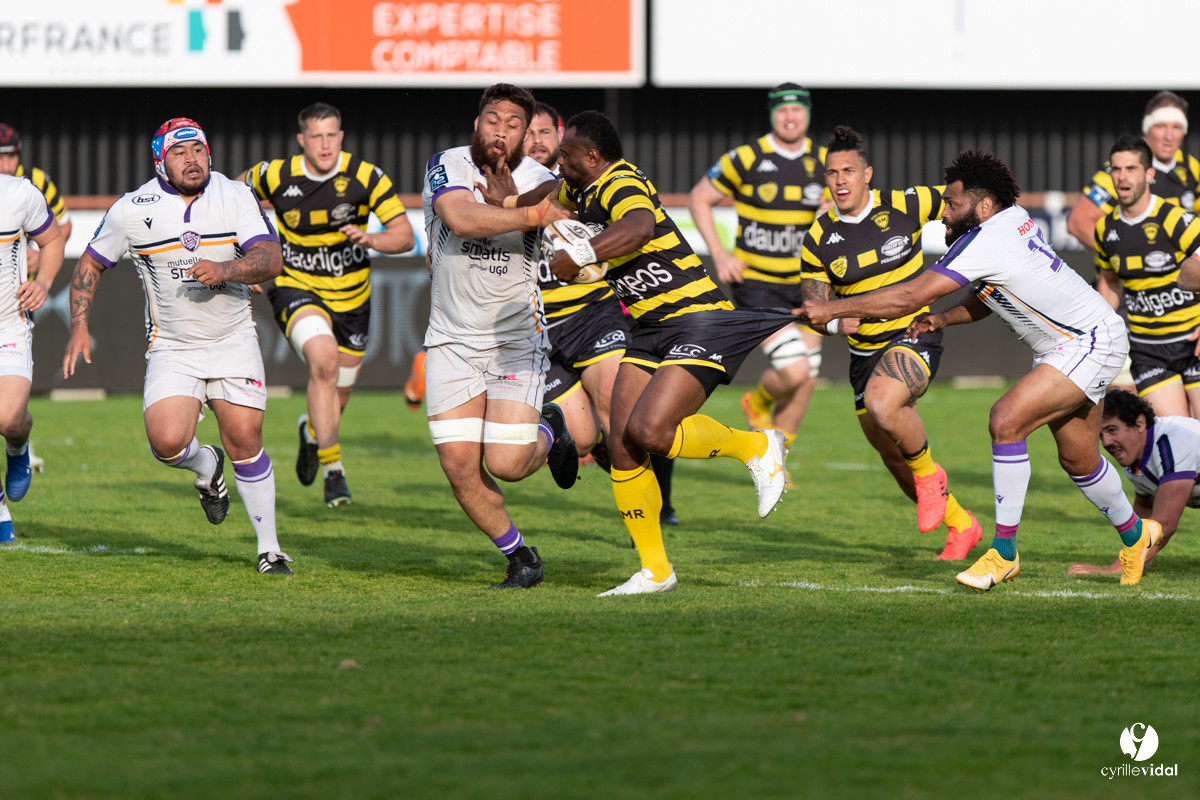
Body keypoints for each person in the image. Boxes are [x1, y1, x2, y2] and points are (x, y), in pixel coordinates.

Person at [799, 149, 1163, 590]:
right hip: (1071, 344)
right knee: (1078, 459)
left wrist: (832, 309)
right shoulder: (1008, 223)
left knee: (1005, 420)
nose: (943, 214)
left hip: (1087, 341)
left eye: (952, 205)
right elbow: (990, 294)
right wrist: (944, 318)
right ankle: (1137, 535)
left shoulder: (985, 240)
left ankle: (1003, 553)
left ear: (984, 206)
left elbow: (910, 296)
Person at [540, 110, 796, 596]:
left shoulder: (620, 181)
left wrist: (582, 253)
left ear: (592, 157)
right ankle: (656, 572)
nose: (559, 161)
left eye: (566, 154)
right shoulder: (580, 188)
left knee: (651, 431)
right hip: (650, 326)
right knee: (621, 444)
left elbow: (638, 227)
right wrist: (504, 200)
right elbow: (546, 197)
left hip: (698, 318)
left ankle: (757, 446)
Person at [62, 117, 294, 575]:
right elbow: (90, 264)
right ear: (159, 162)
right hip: (172, 346)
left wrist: (226, 270)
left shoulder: (235, 194)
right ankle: (206, 465)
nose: (192, 160)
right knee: (167, 443)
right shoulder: (132, 209)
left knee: (245, 438)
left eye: (198, 150)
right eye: (180, 152)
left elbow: (271, 258)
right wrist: (79, 326)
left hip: (232, 339)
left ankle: (269, 549)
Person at [490, 100, 683, 525]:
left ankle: (655, 512)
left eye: (545, 132)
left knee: (623, 408)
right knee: (581, 438)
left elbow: (630, 224)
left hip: (591, 316)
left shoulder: (583, 181)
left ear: (562, 140)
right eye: (528, 132)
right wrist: (505, 206)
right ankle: (582, 443)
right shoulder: (502, 183)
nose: (536, 140)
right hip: (537, 330)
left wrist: (580, 251)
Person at [800, 126, 981, 560]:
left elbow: (965, 202)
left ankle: (931, 476)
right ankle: (962, 525)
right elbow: (815, 309)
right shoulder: (818, 237)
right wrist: (833, 326)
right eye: (832, 173)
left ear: (867, 174)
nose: (840, 180)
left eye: (848, 171)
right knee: (895, 460)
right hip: (863, 356)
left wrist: (965, 236)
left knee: (883, 404)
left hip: (912, 334)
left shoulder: (906, 203)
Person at [421, 83, 576, 590]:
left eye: (513, 125)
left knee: (506, 464)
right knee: (459, 466)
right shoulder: (446, 165)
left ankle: (549, 428)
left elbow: (558, 208)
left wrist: (518, 202)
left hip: (515, 341)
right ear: (477, 123)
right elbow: (461, 218)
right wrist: (528, 214)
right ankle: (521, 557)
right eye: (492, 120)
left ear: (526, 134)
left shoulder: (544, 179)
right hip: (451, 341)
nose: (500, 132)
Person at [243, 103, 415, 508]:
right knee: (323, 361)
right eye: (316, 136)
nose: (325, 144)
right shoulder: (275, 174)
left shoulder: (366, 176)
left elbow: (404, 235)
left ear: (341, 136)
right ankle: (333, 471)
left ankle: (311, 432)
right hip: (296, 287)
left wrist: (372, 239)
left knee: (337, 397)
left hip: (353, 301)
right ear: (301, 140)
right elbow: (229, 198)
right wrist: (241, 259)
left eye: (331, 135)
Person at [688, 83, 828, 465]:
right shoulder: (746, 158)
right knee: (795, 370)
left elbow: (845, 210)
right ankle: (759, 403)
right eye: (782, 110)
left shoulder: (824, 161)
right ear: (772, 115)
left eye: (797, 110)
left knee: (808, 376)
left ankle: (777, 462)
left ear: (807, 114)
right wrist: (720, 254)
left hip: (806, 283)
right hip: (758, 283)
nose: (789, 117)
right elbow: (699, 198)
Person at [1092, 135, 1200, 418]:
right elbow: (1110, 282)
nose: (1122, 176)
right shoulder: (1105, 228)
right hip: (1148, 351)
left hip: (1192, 342)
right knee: (1175, 435)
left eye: (1131, 168)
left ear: (1149, 174)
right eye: (1116, 169)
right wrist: (1096, 330)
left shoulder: (1174, 218)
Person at [1, 122, 72, 474]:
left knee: (9, 417)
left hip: (14, 310)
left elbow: (59, 230)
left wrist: (41, 275)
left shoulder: (29, 187)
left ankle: (19, 444)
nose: (5, 164)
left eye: (10, 156)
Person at [0, 172, 65, 541]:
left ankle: (18, 444)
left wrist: (42, 282)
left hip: (8, 324)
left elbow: (53, 239)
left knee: (9, 418)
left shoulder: (18, 193)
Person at [1069, 390, 1197, 576]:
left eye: (1112, 430)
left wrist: (1119, 567)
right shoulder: (1135, 453)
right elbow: (1145, 506)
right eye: (1101, 435)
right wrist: (1144, 559)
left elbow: (1165, 523)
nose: (1106, 442)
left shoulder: (1172, 443)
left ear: (1140, 423)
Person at [1067, 91, 1200, 251]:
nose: (1169, 136)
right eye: (1161, 126)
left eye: (1176, 127)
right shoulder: (1121, 168)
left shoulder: (1191, 166)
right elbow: (1078, 222)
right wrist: (1121, 257)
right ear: (1147, 128)